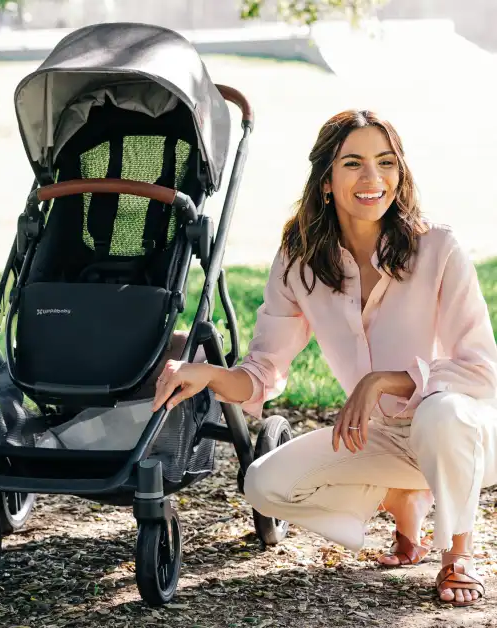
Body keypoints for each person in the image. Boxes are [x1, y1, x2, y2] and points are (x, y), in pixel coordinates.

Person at [152, 110, 497, 607]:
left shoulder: (437, 248)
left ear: (401, 175)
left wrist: (383, 381)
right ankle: (402, 498)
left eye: (385, 162)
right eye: (353, 163)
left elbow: (480, 371)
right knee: (264, 485)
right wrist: (206, 375)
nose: (372, 179)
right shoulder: (299, 261)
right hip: (387, 441)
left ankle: (456, 555)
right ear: (327, 181)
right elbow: (263, 373)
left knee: (441, 414)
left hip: (466, 433)